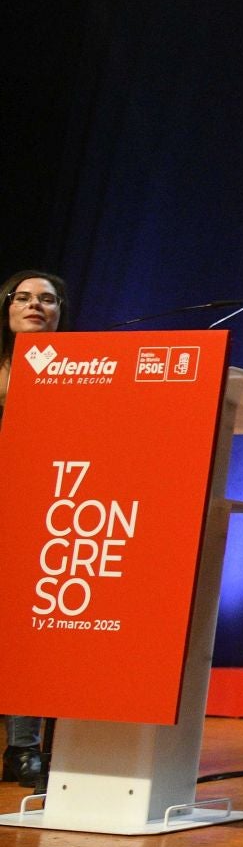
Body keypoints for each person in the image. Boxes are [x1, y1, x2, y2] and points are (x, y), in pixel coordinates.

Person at [2, 269, 69, 793]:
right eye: (22, 297)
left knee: (31, 635)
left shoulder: (79, 373)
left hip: (45, 515)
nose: (34, 306)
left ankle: (23, 749)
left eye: (46, 299)